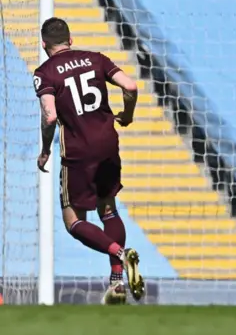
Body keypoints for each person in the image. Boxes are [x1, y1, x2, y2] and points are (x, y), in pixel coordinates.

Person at [33, 17, 145, 305]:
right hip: (108, 143)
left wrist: (46, 148)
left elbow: (50, 116)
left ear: (45, 45)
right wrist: (128, 115)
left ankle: (120, 253)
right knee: (108, 209)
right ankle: (117, 281)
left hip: (79, 152)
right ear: (70, 39)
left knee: (74, 221)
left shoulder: (45, 72)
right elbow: (130, 86)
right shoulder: (95, 59)